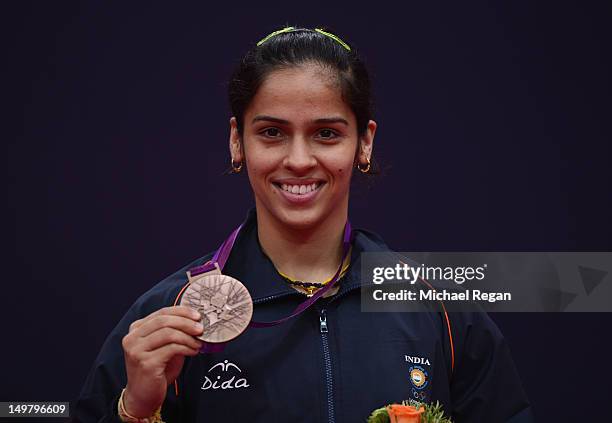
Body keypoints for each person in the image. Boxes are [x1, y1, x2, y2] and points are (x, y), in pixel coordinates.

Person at [74, 27, 533, 422]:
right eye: (271, 132)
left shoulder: (440, 311)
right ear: (238, 141)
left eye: (326, 133)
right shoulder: (168, 317)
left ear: (364, 143)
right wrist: (133, 409)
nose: (298, 160)